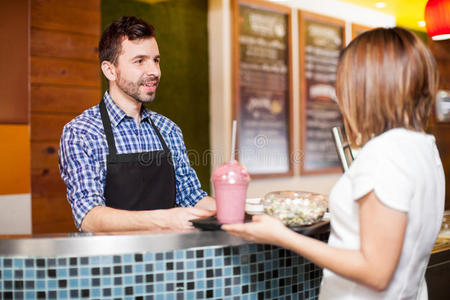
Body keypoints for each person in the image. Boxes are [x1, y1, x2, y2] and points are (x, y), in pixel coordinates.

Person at [223, 27, 445, 299]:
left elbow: (376, 272)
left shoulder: (384, 152)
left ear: (367, 87)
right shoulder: (424, 147)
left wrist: (283, 236)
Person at [59, 16, 215, 232]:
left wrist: (242, 211)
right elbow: (89, 216)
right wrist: (164, 220)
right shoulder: (82, 133)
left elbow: (192, 196)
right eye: (140, 61)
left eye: (156, 60)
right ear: (109, 70)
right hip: (113, 262)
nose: (155, 72)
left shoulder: (168, 130)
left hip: (170, 261)